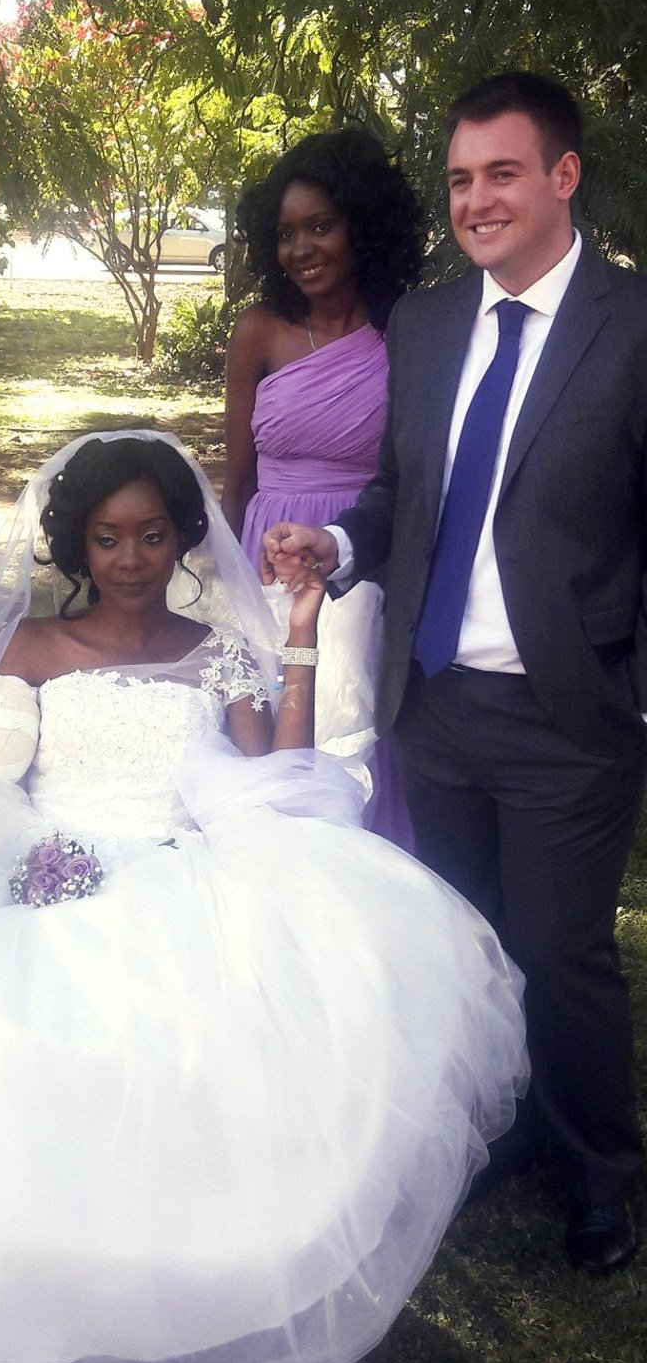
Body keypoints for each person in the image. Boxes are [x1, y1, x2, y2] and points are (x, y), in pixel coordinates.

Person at [0, 430, 526, 1363]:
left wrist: (298, 632)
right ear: (77, 544)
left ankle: (211, 1317)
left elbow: (277, 776)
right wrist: (23, 850)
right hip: (55, 873)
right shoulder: (31, 648)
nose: (132, 558)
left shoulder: (216, 648)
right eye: (108, 538)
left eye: (152, 535)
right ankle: (38, 1317)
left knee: (223, 1064)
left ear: (183, 537)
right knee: (5, 1059)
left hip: (188, 865)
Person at [264, 72, 646, 1275]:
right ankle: (502, 1127)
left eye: (502, 174)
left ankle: (600, 1173)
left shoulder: (630, 325)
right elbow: (401, 492)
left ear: (562, 177)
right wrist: (339, 548)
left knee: (560, 955)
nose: (476, 200)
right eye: (460, 180)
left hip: (567, 715)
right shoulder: (427, 328)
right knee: (464, 942)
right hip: (431, 705)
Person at [223, 131, 423, 845]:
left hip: (363, 560)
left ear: (361, 225)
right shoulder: (260, 331)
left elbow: (414, 473)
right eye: (285, 234)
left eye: (320, 226)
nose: (301, 248)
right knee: (267, 731)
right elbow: (238, 477)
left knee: (355, 726)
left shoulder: (409, 331)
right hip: (268, 556)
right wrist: (224, 587)